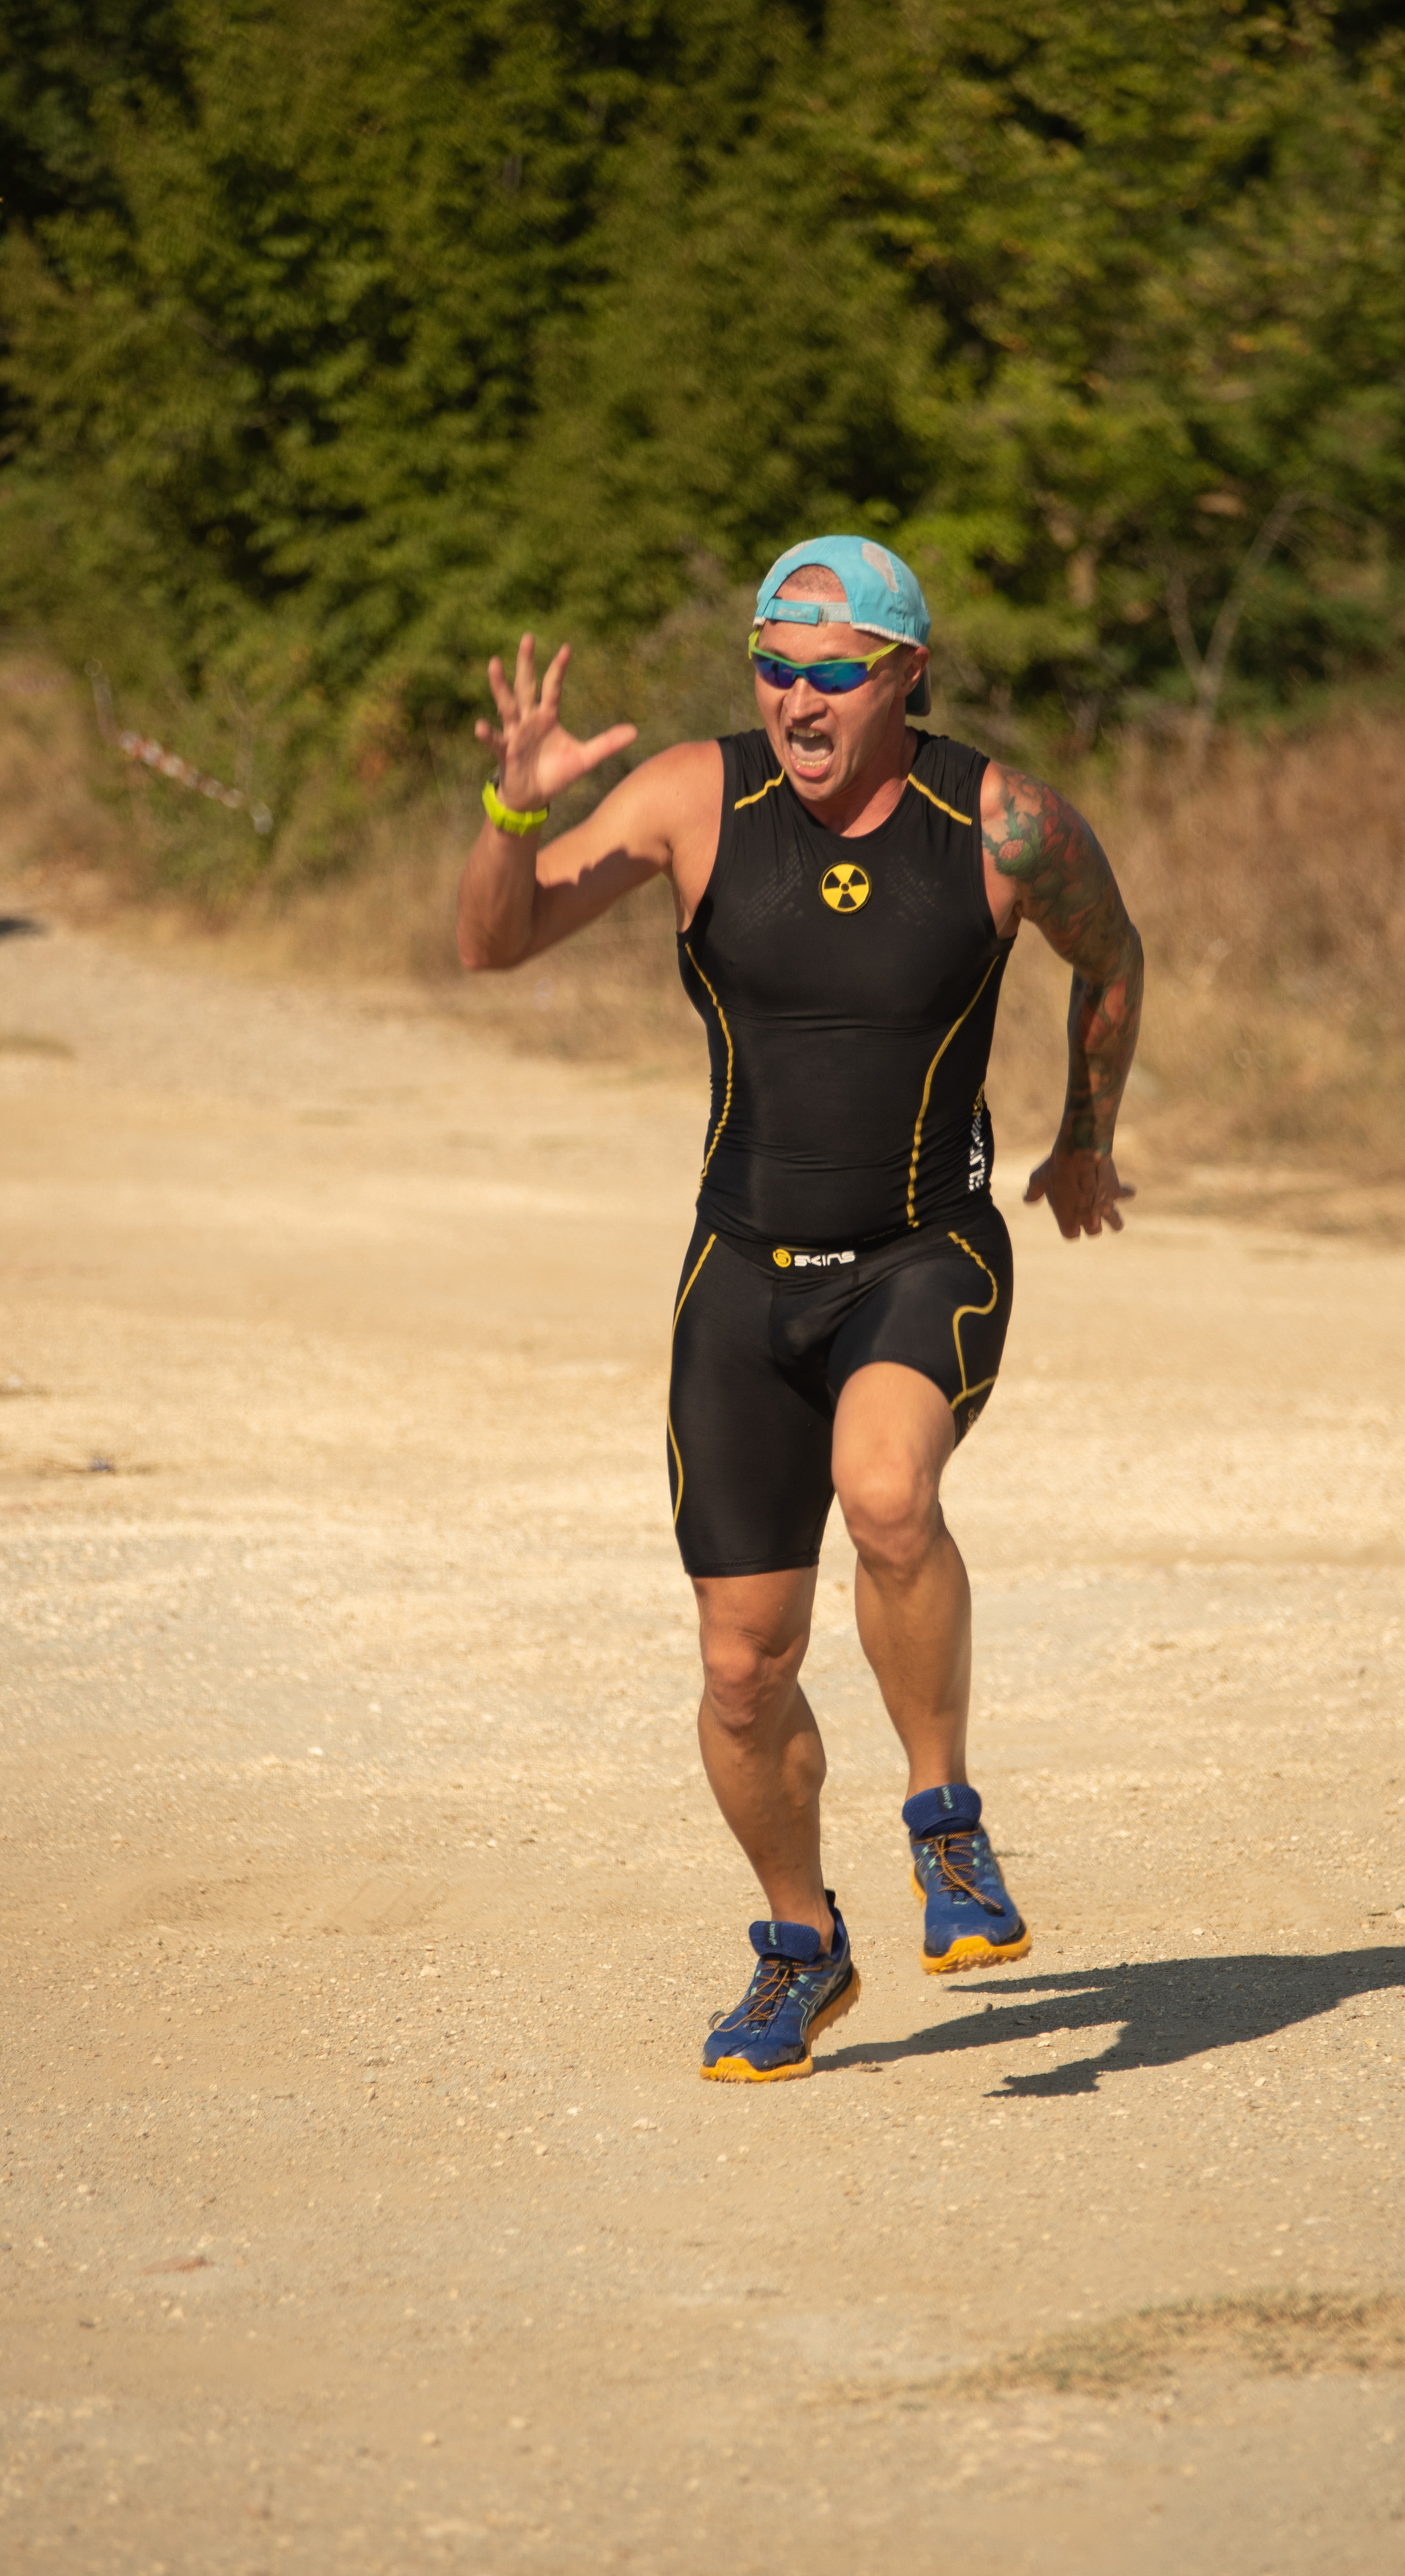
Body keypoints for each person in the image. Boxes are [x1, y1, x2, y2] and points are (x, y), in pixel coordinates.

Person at [457, 536, 1143, 2083]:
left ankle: (943, 1821)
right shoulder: (697, 804)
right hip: (741, 1280)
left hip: (924, 1252)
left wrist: (1085, 1129)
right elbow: (487, 943)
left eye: (831, 670)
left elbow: (1111, 954)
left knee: (887, 1493)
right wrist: (516, 806)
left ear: (905, 672)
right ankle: (798, 1943)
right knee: (739, 1665)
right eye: (772, 665)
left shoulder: (1002, 822)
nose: (795, 697)